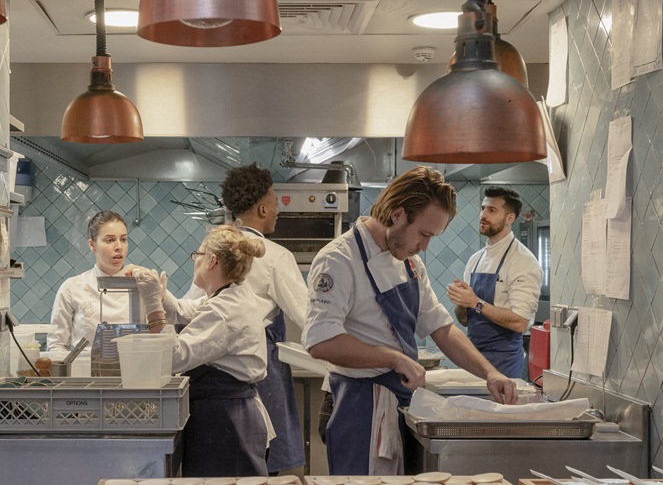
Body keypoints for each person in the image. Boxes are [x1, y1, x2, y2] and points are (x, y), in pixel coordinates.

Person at [303, 166, 519, 475]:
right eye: (424, 234)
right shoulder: (339, 259)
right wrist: (393, 359)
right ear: (397, 214)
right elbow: (320, 340)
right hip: (356, 404)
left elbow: (441, 328)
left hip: (397, 400)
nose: (425, 246)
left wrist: (490, 374)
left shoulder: (410, 264)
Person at [131, 225, 272, 477]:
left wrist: (154, 306)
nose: (195, 259)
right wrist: (162, 295)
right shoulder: (232, 294)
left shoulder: (222, 311)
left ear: (212, 261)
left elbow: (172, 357)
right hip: (228, 415)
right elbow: (192, 310)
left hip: (226, 423)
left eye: (198, 254)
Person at [221, 163, 307, 474]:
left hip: (218, 375)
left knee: (232, 464)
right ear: (261, 208)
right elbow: (309, 317)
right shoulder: (274, 255)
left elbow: (194, 308)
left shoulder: (212, 250)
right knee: (263, 461)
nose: (276, 211)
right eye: (274, 203)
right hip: (261, 371)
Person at [447, 186, 543, 379]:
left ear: (510, 218)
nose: (483, 215)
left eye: (492, 210)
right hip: (473, 356)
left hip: (504, 361)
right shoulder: (476, 259)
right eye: (483, 208)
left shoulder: (523, 261)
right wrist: (461, 304)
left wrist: (475, 302)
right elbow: (465, 320)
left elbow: (519, 322)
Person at [47, 210, 137, 352]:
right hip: (85, 372)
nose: (119, 247)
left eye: (124, 239)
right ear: (92, 245)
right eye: (110, 240)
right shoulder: (72, 287)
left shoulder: (142, 284)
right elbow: (56, 345)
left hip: (133, 371)